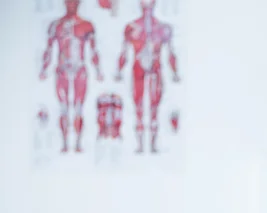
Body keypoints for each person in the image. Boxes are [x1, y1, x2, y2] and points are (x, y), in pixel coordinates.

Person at [114, 0, 180, 154]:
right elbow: (124, 53)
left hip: (155, 70)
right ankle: (140, 145)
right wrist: (118, 71)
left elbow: (171, 54)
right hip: (138, 69)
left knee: (154, 107)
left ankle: (152, 144)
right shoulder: (131, 28)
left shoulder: (163, 29)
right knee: (138, 107)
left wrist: (175, 72)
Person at [39, 0, 104, 153]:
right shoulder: (56, 25)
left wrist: (98, 70)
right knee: (63, 108)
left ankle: (78, 144)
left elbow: (93, 51)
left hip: (80, 70)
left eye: (74, 2)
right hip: (62, 70)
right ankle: (64, 143)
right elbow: (48, 50)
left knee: (78, 107)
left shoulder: (86, 25)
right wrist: (43, 68)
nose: (71, 4)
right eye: (69, 2)